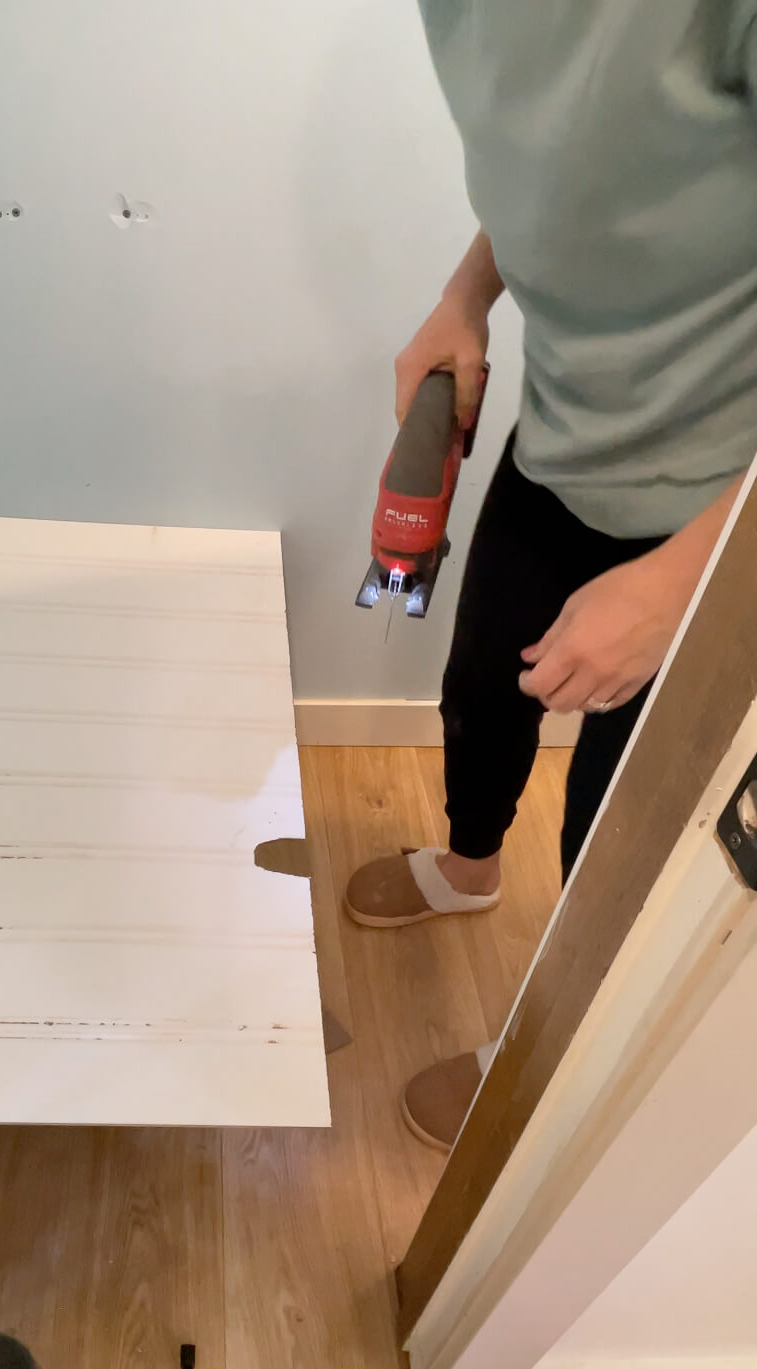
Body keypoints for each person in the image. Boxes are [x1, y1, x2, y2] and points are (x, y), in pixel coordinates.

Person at [344, 1, 757, 1151]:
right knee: (482, 690)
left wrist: (684, 581)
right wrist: (465, 296)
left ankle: (542, 1049)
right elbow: (553, 171)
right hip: (564, 437)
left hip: (720, 509)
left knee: (612, 835)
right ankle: (470, 867)